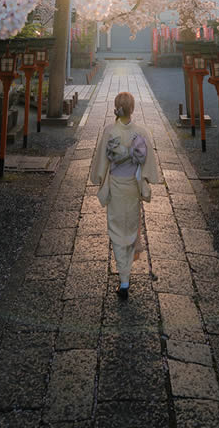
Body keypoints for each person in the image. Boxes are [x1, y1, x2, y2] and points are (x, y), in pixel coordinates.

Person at [90, 90, 159, 299]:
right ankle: (126, 274)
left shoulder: (110, 131)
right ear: (133, 109)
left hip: (117, 186)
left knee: (117, 229)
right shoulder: (142, 133)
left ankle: (124, 279)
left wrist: (99, 177)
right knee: (131, 227)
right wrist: (147, 179)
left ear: (116, 108)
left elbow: (101, 163)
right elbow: (149, 165)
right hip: (132, 186)